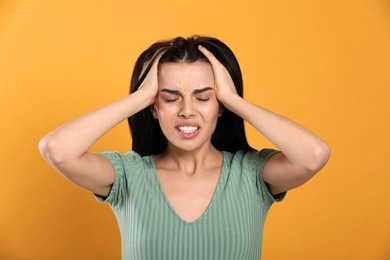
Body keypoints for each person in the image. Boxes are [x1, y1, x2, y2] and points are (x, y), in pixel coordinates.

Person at [39, 36, 330, 260]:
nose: (187, 111)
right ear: (153, 107)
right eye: (169, 98)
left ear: (221, 106)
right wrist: (141, 97)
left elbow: (313, 156)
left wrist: (233, 99)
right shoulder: (128, 175)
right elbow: (57, 149)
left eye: (203, 97)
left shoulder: (252, 173)